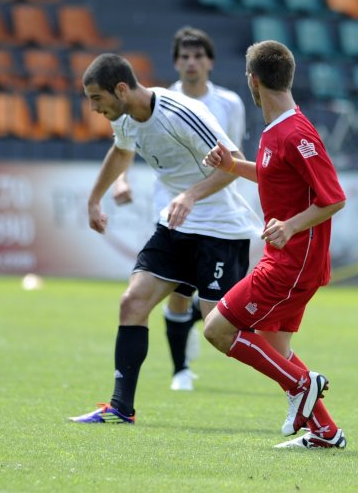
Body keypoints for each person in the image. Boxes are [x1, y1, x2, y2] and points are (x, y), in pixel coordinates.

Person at [69, 53, 257, 424]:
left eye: (97, 98)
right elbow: (121, 152)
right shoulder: (125, 118)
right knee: (132, 303)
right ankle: (121, 408)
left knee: (219, 332)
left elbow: (233, 164)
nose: (93, 108)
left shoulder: (179, 112)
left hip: (220, 228)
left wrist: (189, 195)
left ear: (120, 89)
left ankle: (297, 380)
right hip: (175, 226)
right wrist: (94, 198)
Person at [202, 40, 347, 449]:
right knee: (272, 342)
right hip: (289, 259)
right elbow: (273, 175)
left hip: (292, 262)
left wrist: (290, 226)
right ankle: (325, 432)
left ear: (253, 80)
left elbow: (334, 197)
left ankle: (302, 385)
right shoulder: (275, 130)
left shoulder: (297, 133)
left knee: (217, 329)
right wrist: (232, 166)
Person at [113, 27, 250, 392]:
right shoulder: (160, 100)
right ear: (175, 63)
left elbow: (233, 159)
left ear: (210, 62)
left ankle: (279, 364)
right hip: (171, 212)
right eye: (184, 57)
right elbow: (126, 143)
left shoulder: (229, 103)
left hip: (217, 211)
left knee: (213, 310)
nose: (191, 63)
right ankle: (181, 370)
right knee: (173, 292)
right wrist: (120, 180)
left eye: (198, 56)